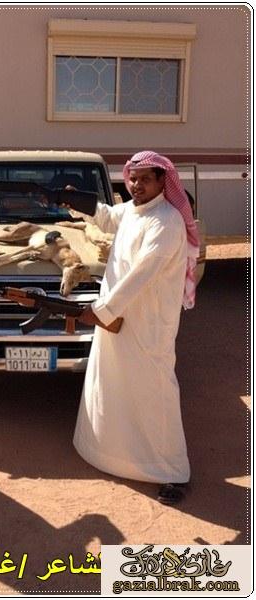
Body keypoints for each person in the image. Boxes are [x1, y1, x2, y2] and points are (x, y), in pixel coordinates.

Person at [73, 150, 200, 505]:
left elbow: (141, 275)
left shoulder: (167, 221)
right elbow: (106, 216)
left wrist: (102, 309)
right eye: (133, 178)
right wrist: (74, 199)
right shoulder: (131, 210)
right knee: (114, 384)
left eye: (145, 179)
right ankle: (112, 456)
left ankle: (172, 471)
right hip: (116, 319)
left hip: (148, 324)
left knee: (154, 393)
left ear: (162, 181)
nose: (137, 185)